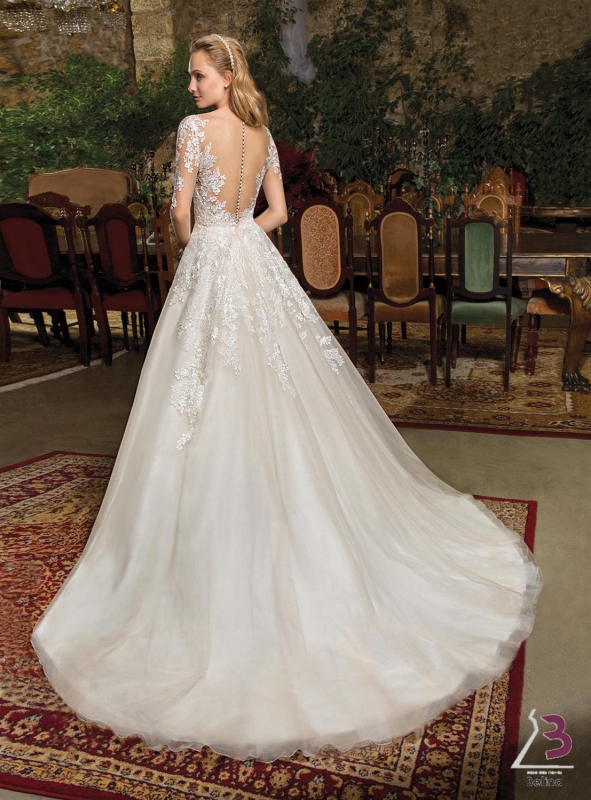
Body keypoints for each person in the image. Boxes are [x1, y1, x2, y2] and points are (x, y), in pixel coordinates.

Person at [31, 33, 542, 764]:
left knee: (201, 388)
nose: (189, 87)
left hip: (213, 261)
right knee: (280, 384)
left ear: (224, 74)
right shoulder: (261, 132)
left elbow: (178, 213)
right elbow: (275, 211)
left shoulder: (193, 131)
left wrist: (202, 243)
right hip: (253, 259)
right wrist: (238, 234)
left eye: (197, 75)